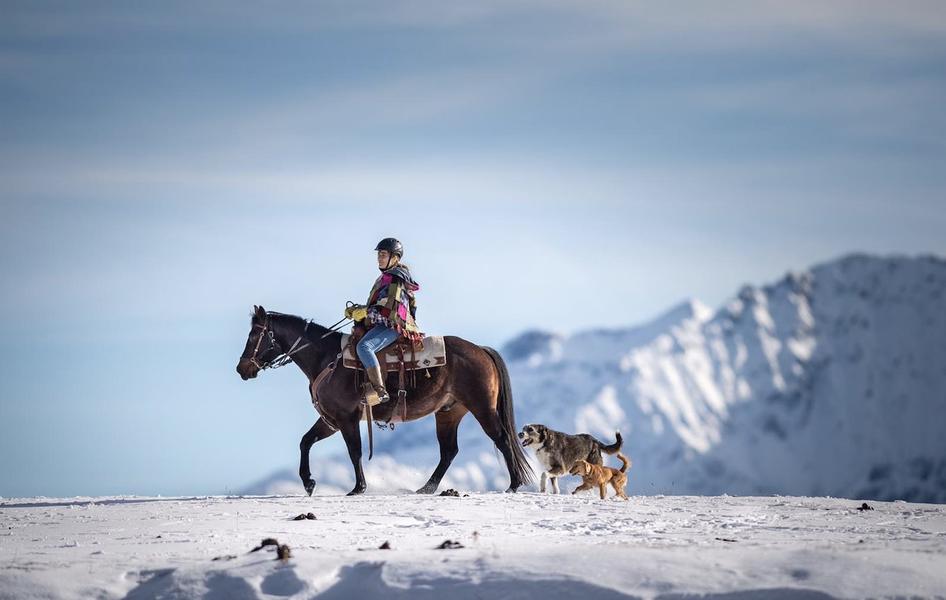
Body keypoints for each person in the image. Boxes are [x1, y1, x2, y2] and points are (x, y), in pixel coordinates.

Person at [346, 237, 423, 404]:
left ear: (394, 257)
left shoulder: (395, 277)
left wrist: (365, 313)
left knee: (364, 347)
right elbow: (379, 303)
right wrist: (357, 310)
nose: (379, 258)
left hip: (395, 325)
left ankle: (378, 390)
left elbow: (389, 309)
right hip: (387, 322)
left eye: (383, 254)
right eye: (379, 255)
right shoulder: (387, 277)